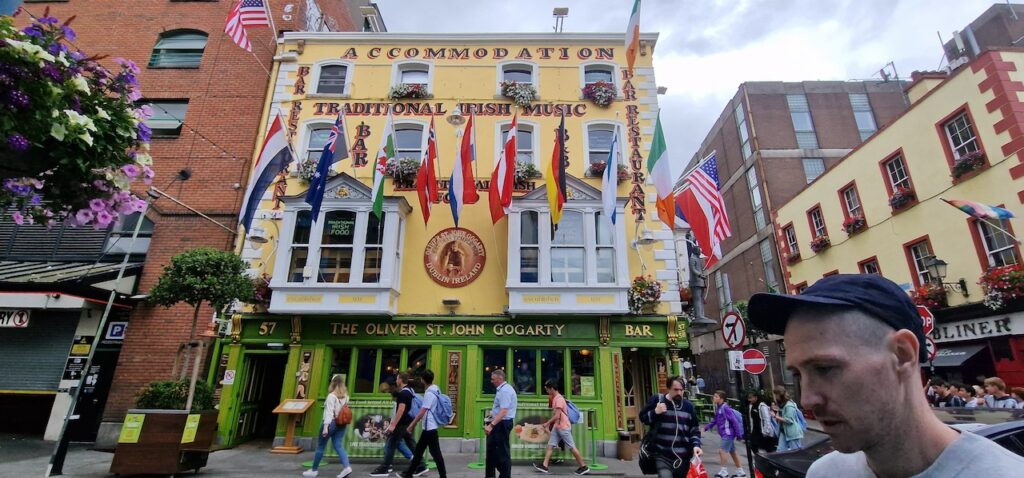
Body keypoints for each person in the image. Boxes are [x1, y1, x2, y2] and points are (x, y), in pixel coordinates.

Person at [748, 274, 1024, 476]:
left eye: (825, 369)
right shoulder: (824, 473)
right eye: (797, 374)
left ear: (902, 354)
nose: (807, 399)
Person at [639, 376, 702, 478]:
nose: (679, 393)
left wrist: (696, 445)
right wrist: (655, 412)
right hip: (662, 455)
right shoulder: (657, 401)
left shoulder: (689, 407)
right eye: (676, 390)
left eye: (681, 390)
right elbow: (643, 418)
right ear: (668, 388)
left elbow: (694, 430)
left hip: (683, 458)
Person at [370, 373, 426, 477]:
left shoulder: (403, 393)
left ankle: (385, 468)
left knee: (391, 444)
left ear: (400, 380)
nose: (396, 381)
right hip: (408, 422)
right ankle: (421, 464)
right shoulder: (410, 390)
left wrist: (393, 425)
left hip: (401, 424)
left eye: (397, 378)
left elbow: (401, 409)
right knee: (410, 443)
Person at [533, 380, 589, 475]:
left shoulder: (559, 399)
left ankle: (583, 466)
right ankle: (545, 466)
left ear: (552, 389)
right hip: (557, 427)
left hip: (563, 427)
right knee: (550, 446)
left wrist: (547, 424)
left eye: (547, 389)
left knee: (571, 447)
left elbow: (557, 416)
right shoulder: (555, 398)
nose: (547, 392)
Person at [303, 374, 352, 478]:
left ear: (332, 383)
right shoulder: (346, 397)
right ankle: (347, 467)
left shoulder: (331, 396)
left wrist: (325, 427)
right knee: (338, 445)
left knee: (321, 446)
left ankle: (314, 470)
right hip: (341, 424)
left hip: (331, 423)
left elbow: (329, 413)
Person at [401, 370, 446, 478]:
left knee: (431, 453)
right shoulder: (436, 389)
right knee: (422, 452)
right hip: (432, 426)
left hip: (429, 427)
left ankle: (410, 474)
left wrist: (412, 425)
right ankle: (410, 473)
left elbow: (423, 410)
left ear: (422, 379)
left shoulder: (429, 393)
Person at [703, 391, 745, 478]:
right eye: (714, 396)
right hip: (726, 434)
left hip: (728, 434)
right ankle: (741, 472)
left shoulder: (725, 408)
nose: (714, 398)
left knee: (722, 451)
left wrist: (738, 434)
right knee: (732, 452)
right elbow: (715, 420)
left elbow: (734, 422)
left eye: (716, 396)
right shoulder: (719, 408)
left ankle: (724, 472)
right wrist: (706, 427)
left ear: (721, 399)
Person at [484, 369, 517, 478]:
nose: (491, 381)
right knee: (491, 450)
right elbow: (499, 409)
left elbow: (504, 411)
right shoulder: (502, 390)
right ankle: (490, 475)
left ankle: (505, 475)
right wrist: (491, 417)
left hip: (502, 424)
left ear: (500, 379)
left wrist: (491, 425)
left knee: (502, 453)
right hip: (499, 422)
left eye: (493, 379)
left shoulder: (505, 391)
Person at [769, 386, 804, 452]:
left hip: (792, 433)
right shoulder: (782, 405)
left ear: (780, 395)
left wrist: (775, 416)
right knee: (780, 451)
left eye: (776, 395)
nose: (775, 397)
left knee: (796, 452)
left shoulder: (789, 405)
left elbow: (789, 420)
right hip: (783, 431)